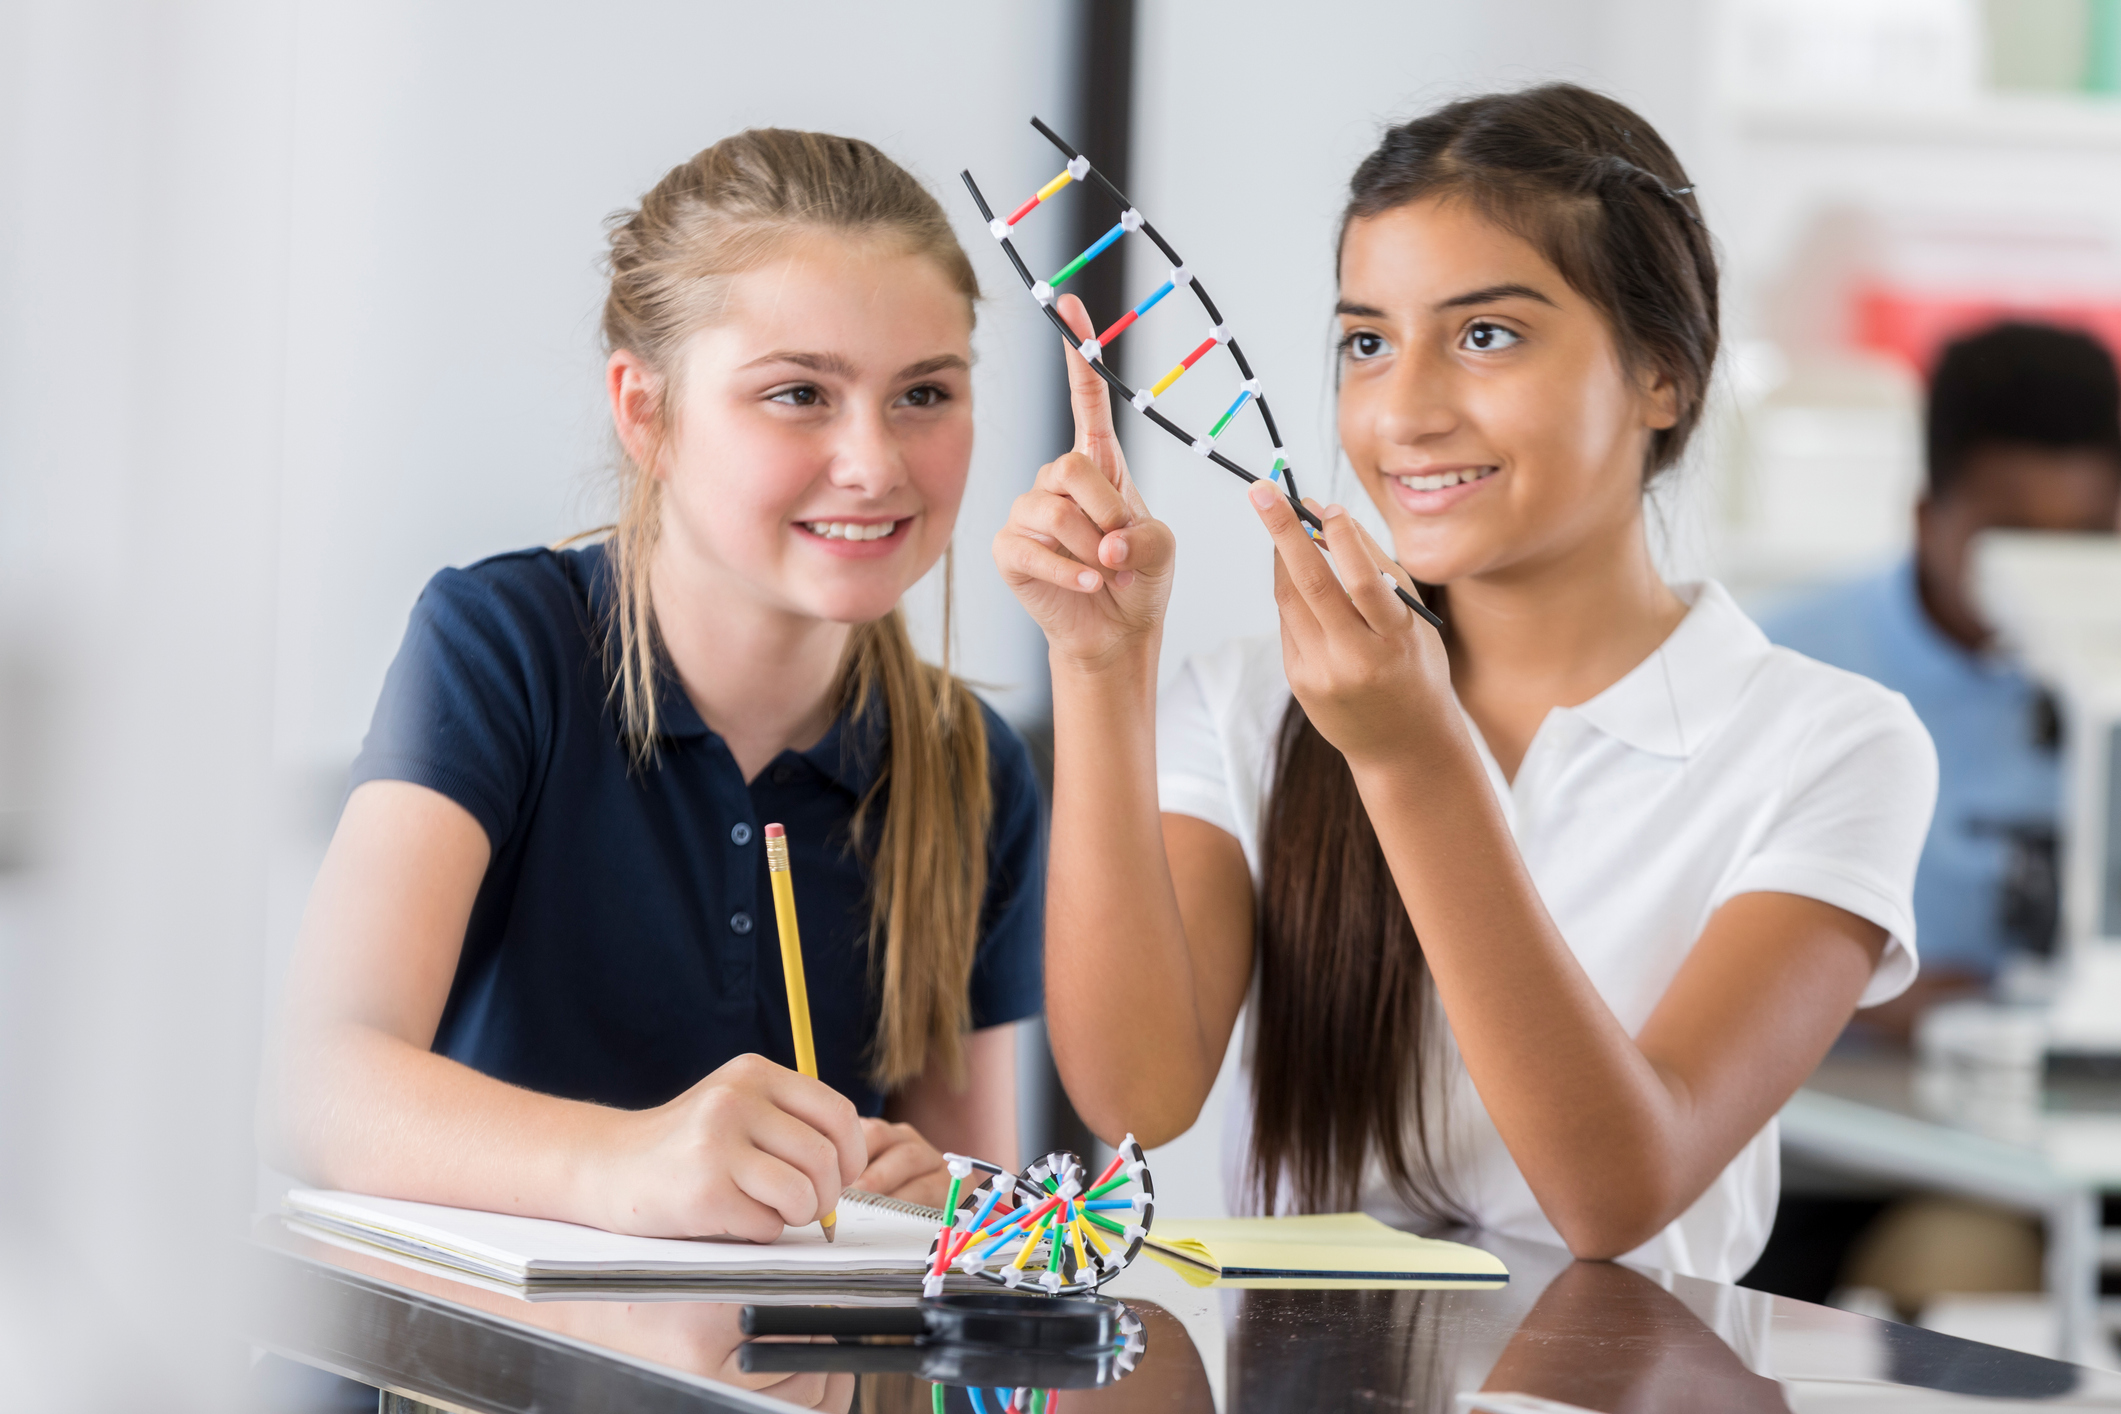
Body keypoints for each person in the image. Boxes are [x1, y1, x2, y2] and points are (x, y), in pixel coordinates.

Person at [995, 84, 1936, 1282]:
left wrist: (1407, 758)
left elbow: (1615, 1197)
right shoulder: (1250, 702)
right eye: (1366, 342)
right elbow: (1137, 1093)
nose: (1405, 412)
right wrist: (1098, 663)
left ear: (1665, 376)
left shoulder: (1830, 745)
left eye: (1487, 334)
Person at [262, 130, 1044, 1243]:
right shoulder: (504, 647)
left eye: (924, 392)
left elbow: (978, 1212)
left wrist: (941, 1208)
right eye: (798, 394)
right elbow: (313, 1088)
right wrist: (633, 1161)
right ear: (645, 413)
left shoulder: (974, 765)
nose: (875, 462)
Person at [1762, 322, 2121, 1039]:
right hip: (1840, 1097)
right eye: (2008, 537)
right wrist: (1864, 997)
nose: (2048, 574)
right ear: (1927, 521)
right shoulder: (1782, 665)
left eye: (2087, 538)